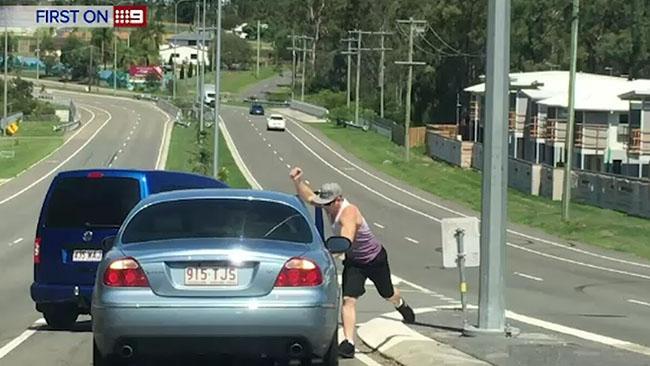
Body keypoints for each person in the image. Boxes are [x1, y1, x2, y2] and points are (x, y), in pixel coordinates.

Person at [289, 167, 415, 359]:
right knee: (349, 300)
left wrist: (335, 249)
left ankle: (401, 304)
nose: (326, 207)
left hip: (374, 259)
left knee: (387, 293)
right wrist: (298, 181)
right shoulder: (328, 204)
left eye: (329, 203)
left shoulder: (349, 212)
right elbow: (309, 197)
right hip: (355, 262)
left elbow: (346, 237)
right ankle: (348, 343)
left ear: (338, 199)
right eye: (325, 203)